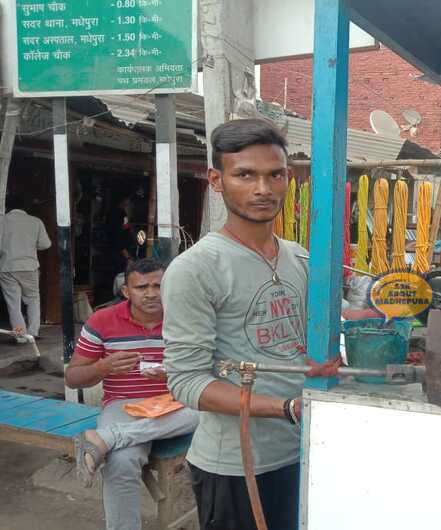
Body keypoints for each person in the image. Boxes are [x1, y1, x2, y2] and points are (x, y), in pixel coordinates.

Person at [162, 119, 336, 530]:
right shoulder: (196, 268)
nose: (263, 189)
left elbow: (315, 334)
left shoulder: (299, 257)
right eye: (245, 175)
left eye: (274, 174)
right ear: (217, 180)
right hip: (236, 466)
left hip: (305, 452)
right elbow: (186, 381)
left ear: (288, 179)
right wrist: (286, 409)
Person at [66, 258, 198, 530]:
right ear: (126, 291)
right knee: (121, 461)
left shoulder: (189, 318)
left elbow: (211, 373)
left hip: (177, 404)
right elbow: (73, 377)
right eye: (142, 287)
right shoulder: (102, 321)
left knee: (206, 409)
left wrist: (175, 373)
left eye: (158, 285)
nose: (151, 293)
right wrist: (103, 366)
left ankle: (106, 438)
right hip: (124, 406)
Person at [0, 195, 51, 341]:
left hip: (7, 267)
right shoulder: (36, 221)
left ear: (7, 207)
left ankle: (21, 336)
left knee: (13, 303)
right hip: (29, 267)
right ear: (25, 208)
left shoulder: (2, 221)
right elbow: (45, 244)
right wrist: (29, 246)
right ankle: (33, 332)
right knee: (33, 299)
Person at [107, 194, 135, 274]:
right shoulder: (119, 214)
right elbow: (118, 237)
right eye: (128, 200)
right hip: (120, 252)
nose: (129, 202)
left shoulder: (119, 213)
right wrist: (127, 256)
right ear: (123, 200)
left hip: (120, 250)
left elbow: (126, 227)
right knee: (120, 274)